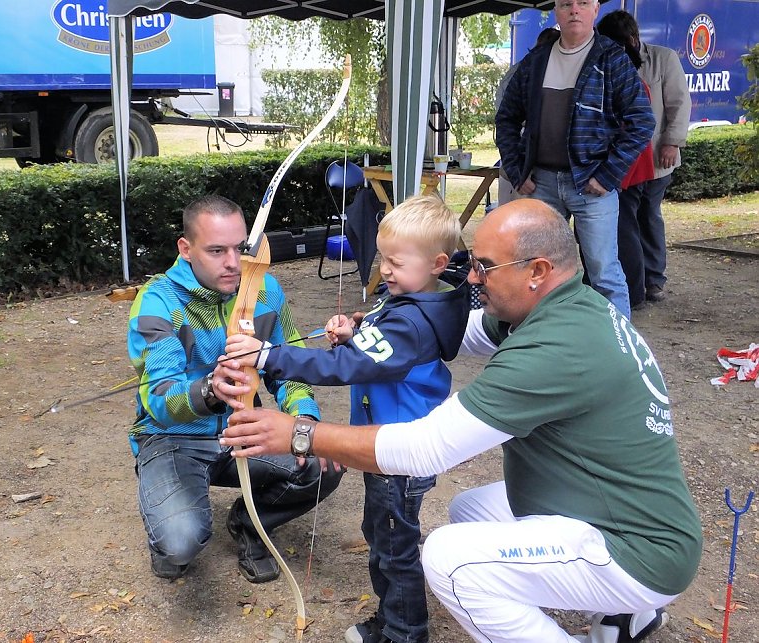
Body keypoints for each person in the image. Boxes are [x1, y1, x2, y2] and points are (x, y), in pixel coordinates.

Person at [220, 199, 703, 643]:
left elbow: (426, 448)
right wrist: (372, 332)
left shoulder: (553, 348)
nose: (470, 279)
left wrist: (300, 433)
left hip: (642, 552)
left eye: (484, 267)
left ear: (537, 270)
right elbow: (450, 332)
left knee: (448, 559)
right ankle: (625, 615)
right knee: (471, 511)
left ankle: (625, 602)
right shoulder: (562, 306)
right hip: (623, 510)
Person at [221, 194, 471, 643]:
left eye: (396, 261)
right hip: (387, 447)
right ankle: (394, 621)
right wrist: (356, 334)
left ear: (437, 263)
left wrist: (269, 355)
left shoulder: (413, 323)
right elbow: (377, 348)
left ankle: (404, 633)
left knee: (393, 549)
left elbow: (344, 368)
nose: (386, 269)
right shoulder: (415, 300)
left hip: (399, 455)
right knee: (380, 535)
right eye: (383, 258)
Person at [126, 194, 343, 584]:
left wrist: (305, 418)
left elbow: (288, 366)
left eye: (240, 248)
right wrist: (210, 389)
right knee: (180, 543)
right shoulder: (157, 301)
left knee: (322, 460)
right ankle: (169, 536)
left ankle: (248, 524)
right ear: (186, 249)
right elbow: (158, 399)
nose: (232, 262)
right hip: (173, 438)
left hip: (241, 430)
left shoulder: (265, 290)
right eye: (216, 250)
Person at [495, 0, 656, 318]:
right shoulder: (537, 59)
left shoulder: (611, 58)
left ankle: (618, 352)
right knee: (538, 274)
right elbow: (507, 118)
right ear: (556, 10)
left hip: (591, 185)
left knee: (604, 273)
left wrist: (609, 174)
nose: (574, 10)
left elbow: (642, 122)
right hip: (540, 184)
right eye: (566, 3)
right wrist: (516, 169)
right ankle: (547, 344)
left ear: (596, 9)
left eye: (583, 3)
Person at [597, 10, 691, 306]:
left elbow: (679, 102)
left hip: (655, 157)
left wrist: (672, 142)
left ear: (633, 40)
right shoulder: (606, 59)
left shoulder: (663, 59)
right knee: (626, 220)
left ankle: (653, 279)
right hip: (622, 161)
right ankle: (632, 281)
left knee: (648, 216)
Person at [494, 27, 560, 207]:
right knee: (513, 215)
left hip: (532, 164)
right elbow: (504, 117)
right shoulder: (521, 72)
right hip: (519, 157)